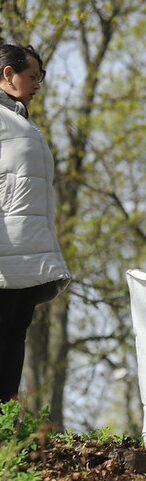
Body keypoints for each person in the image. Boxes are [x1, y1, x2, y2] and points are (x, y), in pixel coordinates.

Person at [0, 43, 70, 402]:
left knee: (13, 341)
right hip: (4, 255)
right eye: (33, 76)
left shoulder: (24, 123)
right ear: (8, 74)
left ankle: (6, 423)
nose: (38, 85)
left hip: (26, 257)